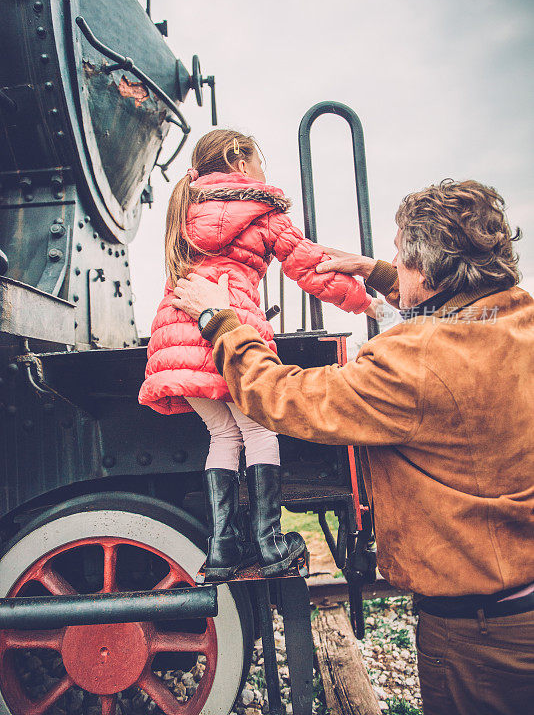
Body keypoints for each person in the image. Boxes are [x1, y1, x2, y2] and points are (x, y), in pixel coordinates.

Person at [171, 179, 534, 715]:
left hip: (476, 638)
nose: (391, 261)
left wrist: (219, 319)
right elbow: (459, 310)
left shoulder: (414, 362)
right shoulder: (517, 317)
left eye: (399, 257)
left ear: (429, 271)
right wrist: (379, 274)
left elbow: (281, 397)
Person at [139, 128, 378, 584]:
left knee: (223, 434)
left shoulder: (185, 207)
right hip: (224, 329)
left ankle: (223, 547)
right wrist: (363, 300)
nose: (265, 171)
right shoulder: (262, 211)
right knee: (260, 427)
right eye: (260, 161)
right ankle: (270, 543)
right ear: (240, 162)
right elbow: (310, 267)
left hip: (173, 335)